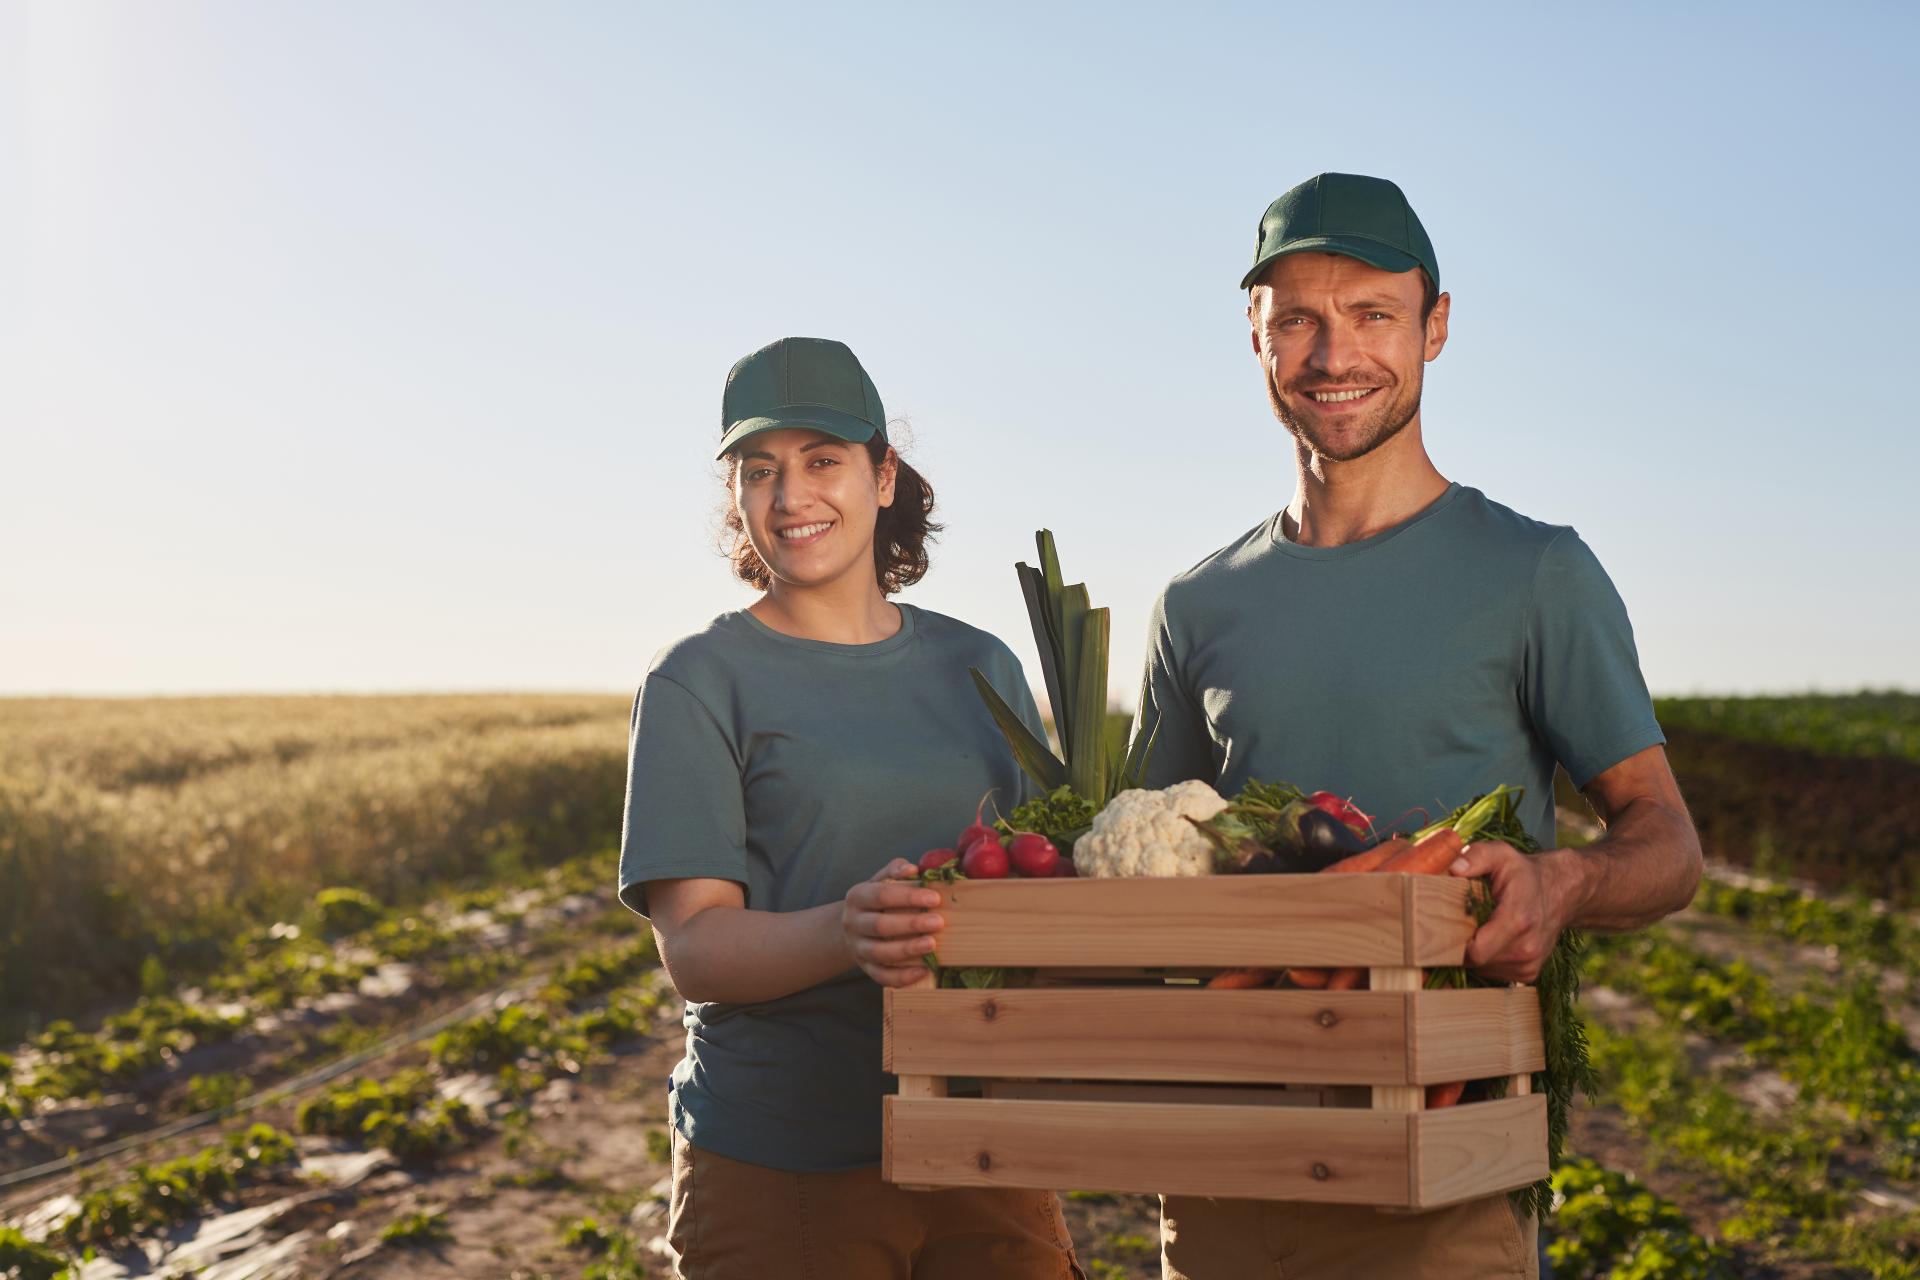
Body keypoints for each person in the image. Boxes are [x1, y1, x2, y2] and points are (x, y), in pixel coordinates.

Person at [1133, 174, 1704, 1280]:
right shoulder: (1196, 605)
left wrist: (1565, 884)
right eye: (1296, 318)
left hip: (1448, 1167)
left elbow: (1668, 843)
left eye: (1373, 315)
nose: (1332, 354)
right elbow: (1154, 875)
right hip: (1226, 1175)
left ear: (1436, 327)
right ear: (1254, 335)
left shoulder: (1535, 573)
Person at [618, 335, 1085, 1280]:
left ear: (883, 476)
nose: (790, 498)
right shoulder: (699, 681)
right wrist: (848, 932)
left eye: (822, 461)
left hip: (981, 1137)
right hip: (786, 1155)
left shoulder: (982, 666)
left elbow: (1047, 885)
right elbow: (696, 949)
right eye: (760, 471)